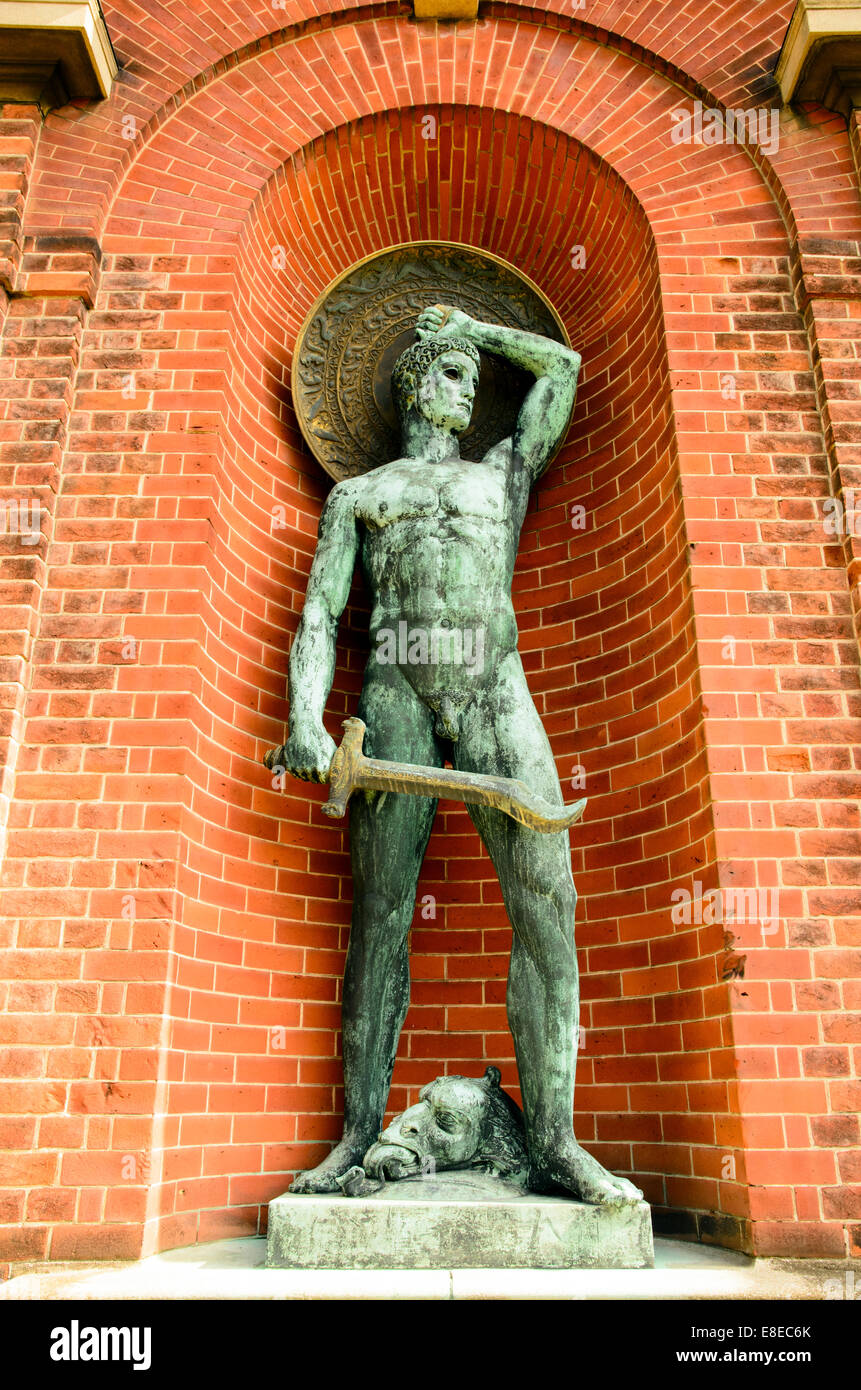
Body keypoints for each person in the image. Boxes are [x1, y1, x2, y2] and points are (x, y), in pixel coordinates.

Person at [275, 305, 642, 1204]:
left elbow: (560, 364)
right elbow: (321, 612)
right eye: (448, 372)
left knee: (546, 906)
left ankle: (555, 1143)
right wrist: (305, 717)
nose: (467, 388)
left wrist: (478, 330)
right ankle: (358, 1135)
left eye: (471, 377)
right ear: (411, 383)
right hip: (395, 694)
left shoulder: (500, 477)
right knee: (380, 918)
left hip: (492, 685)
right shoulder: (360, 495)